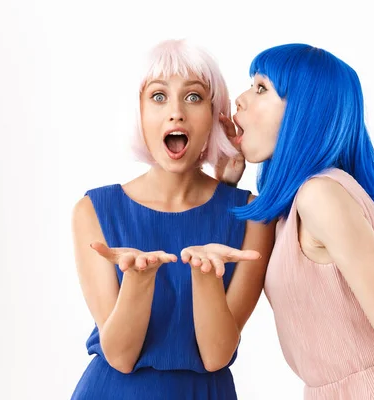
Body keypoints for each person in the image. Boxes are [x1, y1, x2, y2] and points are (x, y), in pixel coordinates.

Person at [217, 43, 374, 399]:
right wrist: (227, 183)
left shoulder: (320, 196)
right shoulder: (290, 211)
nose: (241, 100)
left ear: (303, 111)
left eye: (261, 87)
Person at [70, 39, 274, 400]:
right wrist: (138, 280)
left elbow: (216, 355)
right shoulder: (93, 211)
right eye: (159, 96)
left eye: (193, 97)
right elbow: (119, 355)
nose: (176, 112)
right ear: (140, 112)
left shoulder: (252, 217)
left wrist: (206, 274)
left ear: (215, 115)